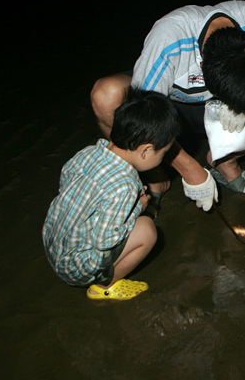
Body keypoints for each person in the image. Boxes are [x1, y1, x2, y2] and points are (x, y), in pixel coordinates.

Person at [90, 0, 245, 211]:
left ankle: (225, 162)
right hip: (172, 104)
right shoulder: (169, 37)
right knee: (106, 95)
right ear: (201, 67)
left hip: (228, 110)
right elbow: (147, 116)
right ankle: (155, 176)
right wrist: (191, 170)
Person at [43, 88, 180, 301]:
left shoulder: (88, 153)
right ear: (145, 151)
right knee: (147, 231)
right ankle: (104, 286)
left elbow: (66, 180)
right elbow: (105, 239)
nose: (163, 158)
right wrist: (138, 209)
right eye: (163, 153)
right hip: (74, 268)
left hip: (54, 246)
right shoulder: (124, 186)